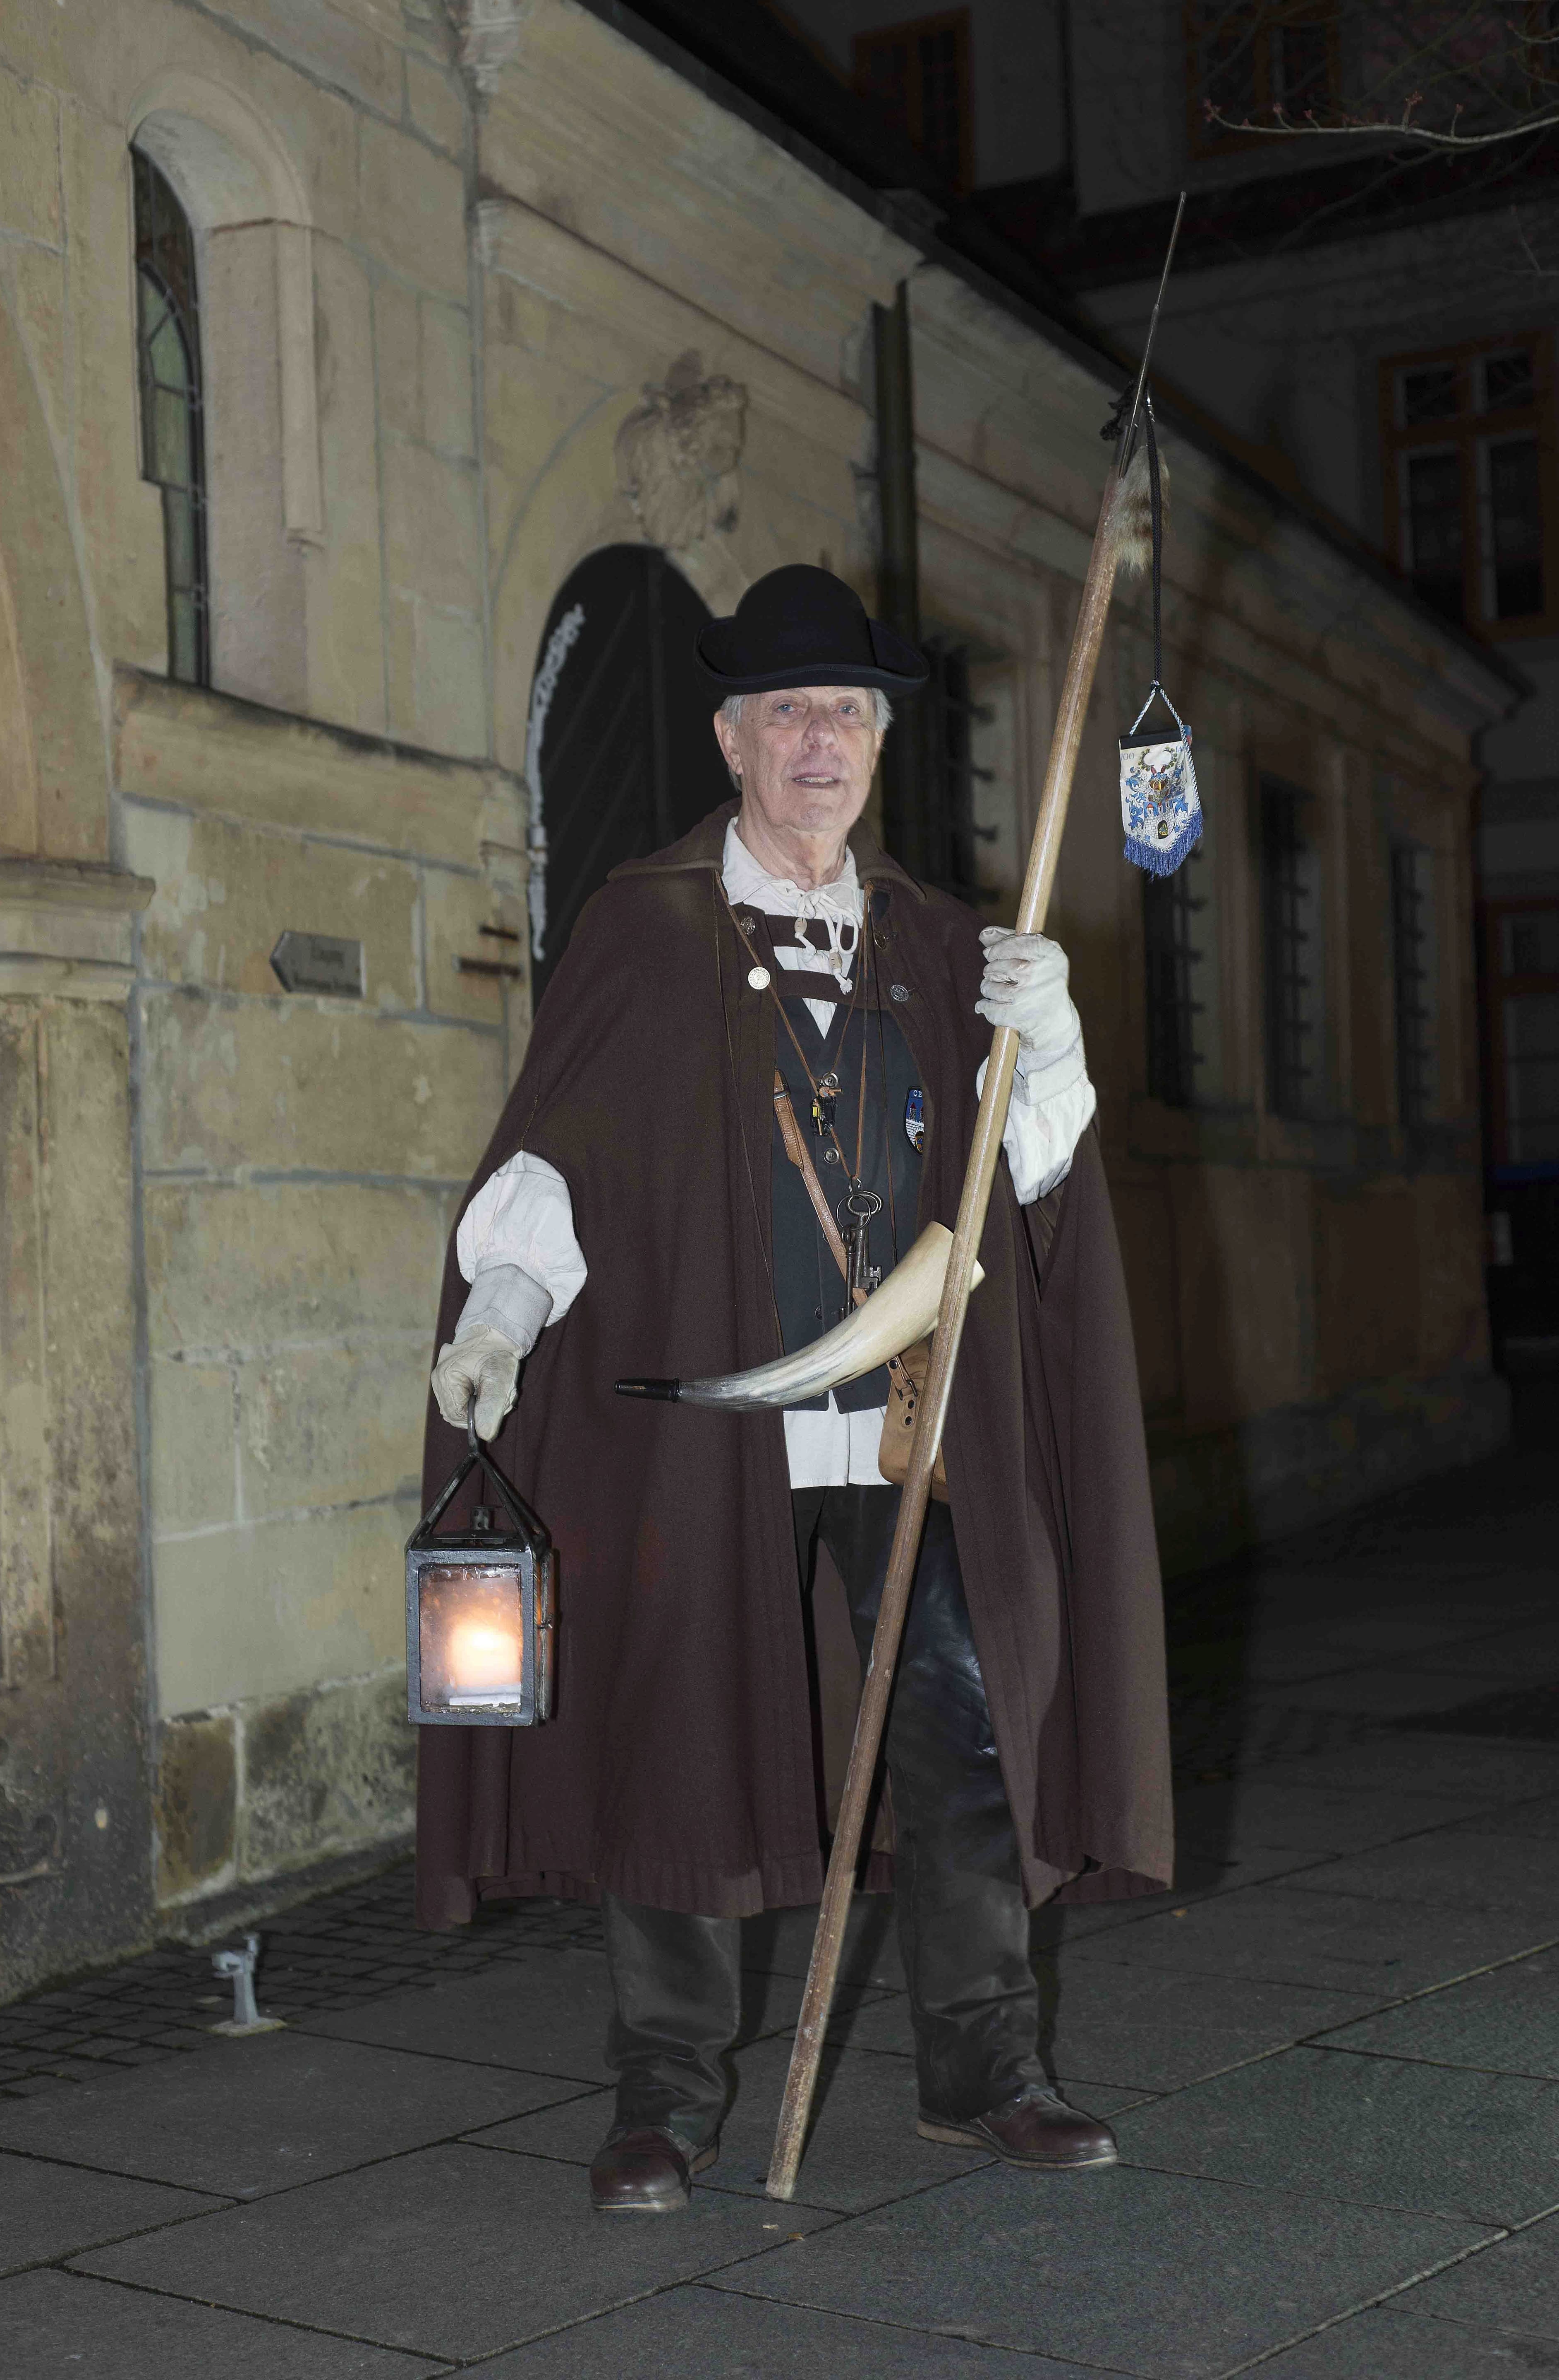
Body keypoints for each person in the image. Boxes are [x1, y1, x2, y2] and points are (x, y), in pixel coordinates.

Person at [418, 564, 1172, 2214]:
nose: (817, 738)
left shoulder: (945, 938)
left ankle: (986, 2067)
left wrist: (1046, 1047)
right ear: (730, 739)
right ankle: (666, 2093)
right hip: (709, 1428)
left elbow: (1032, 1180)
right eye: (786, 713)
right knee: (676, 1731)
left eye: (845, 711)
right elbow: (568, 1159)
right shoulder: (642, 921)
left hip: (914, 1424)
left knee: (965, 1730)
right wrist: (501, 1310)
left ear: (881, 743)